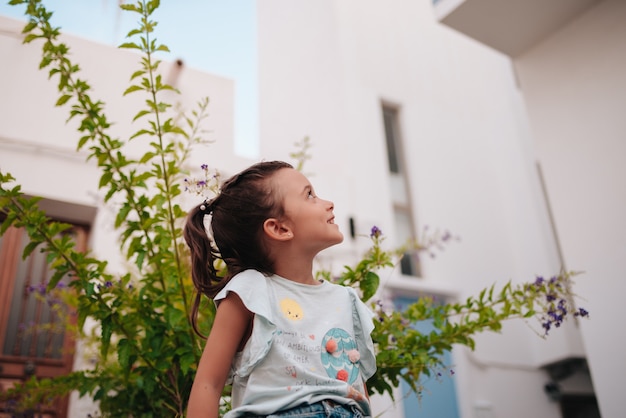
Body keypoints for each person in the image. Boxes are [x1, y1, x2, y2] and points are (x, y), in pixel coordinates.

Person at [184, 161, 377, 418]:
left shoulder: (345, 299)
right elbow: (208, 384)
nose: (328, 203)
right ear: (279, 228)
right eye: (309, 195)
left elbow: (357, 391)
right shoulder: (250, 291)